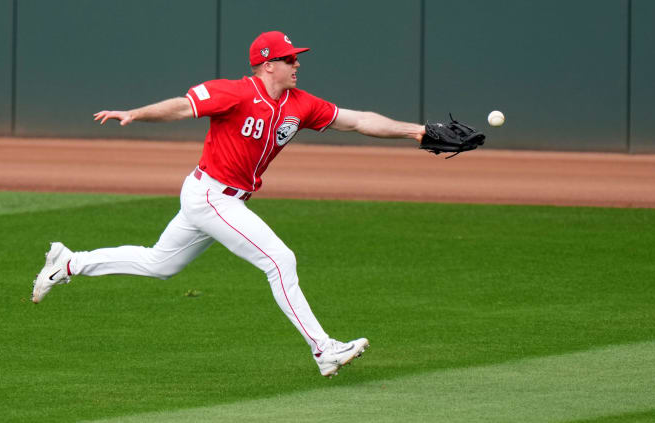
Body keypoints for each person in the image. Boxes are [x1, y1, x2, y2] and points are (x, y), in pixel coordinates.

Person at [32, 31, 426, 378]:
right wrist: (136, 113)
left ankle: (68, 263)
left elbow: (357, 120)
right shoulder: (235, 92)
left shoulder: (299, 103)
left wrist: (418, 132)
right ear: (267, 64)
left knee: (160, 264)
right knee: (279, 260)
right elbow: (183, 106)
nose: (297, 63)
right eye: (289, 58)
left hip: (217, 197)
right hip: (211, 195)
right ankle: (324, 349)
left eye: (296, 57)